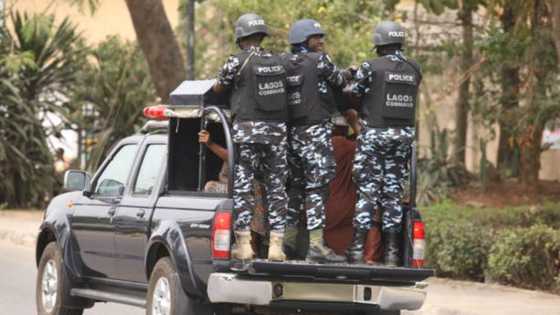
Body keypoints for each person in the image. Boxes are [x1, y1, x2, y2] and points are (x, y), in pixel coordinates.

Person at [213, 13, 290, 261]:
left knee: (244, 185)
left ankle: (245, 245)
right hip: (277, 133)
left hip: (247, 131)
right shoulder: (279, 61)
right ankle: (276, 246)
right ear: (261, 35)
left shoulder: (237, 61)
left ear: (241, 38)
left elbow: (218, 87)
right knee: (276, 187)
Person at [347, 21, 422, 266]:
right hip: (402, 139)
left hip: (375, 137)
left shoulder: (371, 66)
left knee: (368, 191)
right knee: (392, 193)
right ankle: (391, 254)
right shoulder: (414, 68)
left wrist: (352, 74)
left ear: (379, 44)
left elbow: (354, 92)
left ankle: (357, 251)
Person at [283, 19, 351, 262]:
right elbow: (341, 83)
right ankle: (316, 247)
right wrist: (349, 72)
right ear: (303, 40)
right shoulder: (320, 60)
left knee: (294, 188)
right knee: (317, 189)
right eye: (316, 37)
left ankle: (288, 244)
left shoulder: (285, 63)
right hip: (315, 133)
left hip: (291, 136)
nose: (321, 41)